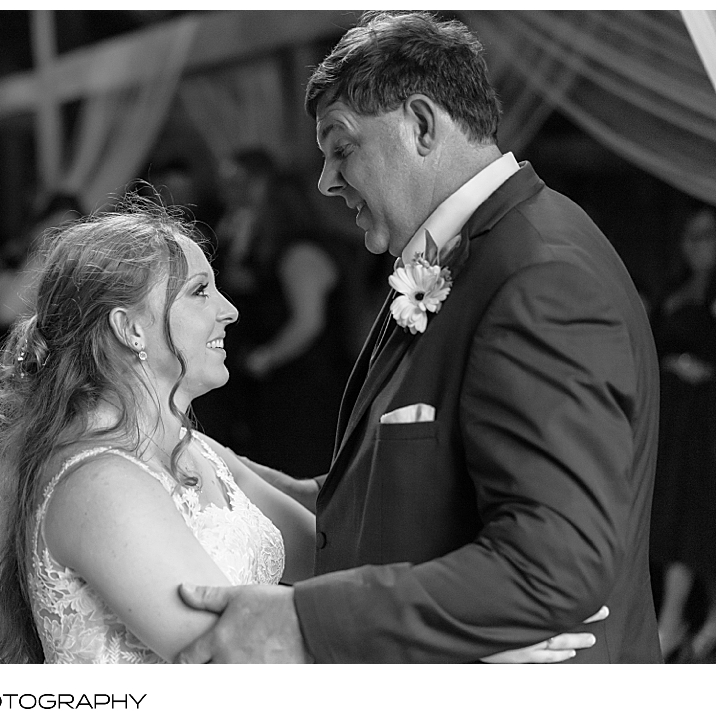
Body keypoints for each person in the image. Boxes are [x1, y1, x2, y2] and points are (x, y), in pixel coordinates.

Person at [176, 11, 661, 663]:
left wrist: (306, 622)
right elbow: (404, 490)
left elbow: (552, 569)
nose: (325, 180)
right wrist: (220, 472)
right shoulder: (454, 260)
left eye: (341, 146)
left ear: (422, 125)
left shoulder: (541, 276)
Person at [0, 199, 599, 663]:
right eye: (199, 292)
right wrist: (465, 652)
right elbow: (228, 661)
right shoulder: (100, 485)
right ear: (130, 328)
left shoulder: (195, 451)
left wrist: (503, 592)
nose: (230, 308)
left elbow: (336, 537)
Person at [193, 149, 351, 477]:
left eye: (237, 183)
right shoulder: (248, 242)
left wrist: (264, 358)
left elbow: (308, 322)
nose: (226, 194)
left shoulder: (300, 251)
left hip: (305, 393)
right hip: (270, 395)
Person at [649, 207, 716, 663]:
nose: (694, 245)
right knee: (667, 506)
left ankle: (685, 622)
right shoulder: (674, 289)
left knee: (696, 508)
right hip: (672, 415)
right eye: (689, 236)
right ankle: (672, 621)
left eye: (705, 236)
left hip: (707, 415)